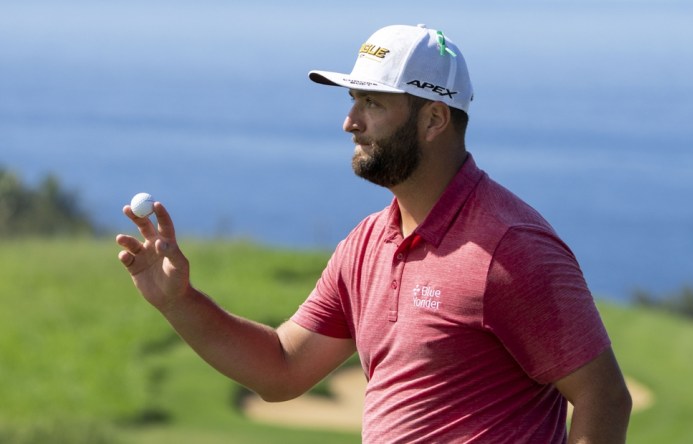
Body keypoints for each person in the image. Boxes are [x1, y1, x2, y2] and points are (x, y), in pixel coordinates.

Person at [116, 24, 632, 443]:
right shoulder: (366, 245)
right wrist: (178, 302)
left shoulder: (509, 247)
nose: (350, 122)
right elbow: (281, 367)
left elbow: (603, 397)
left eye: (373, 104)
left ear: (433, 119)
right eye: (353, 100)